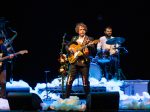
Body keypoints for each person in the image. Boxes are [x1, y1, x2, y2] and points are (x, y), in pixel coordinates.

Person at [65, 22, 96, 98]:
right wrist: (70, 49)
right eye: (80, 29)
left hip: (84, 63)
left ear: (85, 30)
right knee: (69, 80)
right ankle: (66, 98)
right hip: (74, 62)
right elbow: (67, 46)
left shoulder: (89, 39)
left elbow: (94, 50)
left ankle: (88, 100)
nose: (82, 31)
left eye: (83, 29)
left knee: (85, 82)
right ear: (77, 31)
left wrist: (89, 48)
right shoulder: (74, 38)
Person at [0, 32, 14, 98]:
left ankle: (3, 98)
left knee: (3, 83)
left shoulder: (3, 47)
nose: (3, 42)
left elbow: (5, 56)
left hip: (2, 67)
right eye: (2, 40)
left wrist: (9, 56)